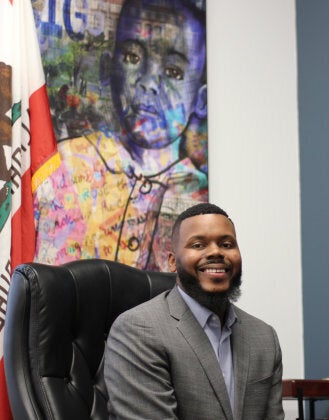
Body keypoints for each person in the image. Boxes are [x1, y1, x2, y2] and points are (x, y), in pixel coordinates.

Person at [33, 0, 208, 271]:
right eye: (132, 58)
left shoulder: (197, 193)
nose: (148, 82)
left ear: (201, 99)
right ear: (107, 68)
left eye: (173, 72)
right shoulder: (63, 166)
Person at [104, 203, 284, 419]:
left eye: (227, 244)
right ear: (172, 262)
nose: (216, 252)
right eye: (198, 245)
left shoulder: (264, 337)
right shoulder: (138, 330)